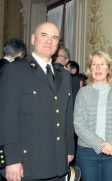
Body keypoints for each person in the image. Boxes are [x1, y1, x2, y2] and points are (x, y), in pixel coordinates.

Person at [0, 22, 75, 181]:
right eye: (44, 35)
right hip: (27, 164)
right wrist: (12, 159)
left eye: (54, 38)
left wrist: (69, 149)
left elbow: (67, 115)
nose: (49, 41)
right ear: (33, 39)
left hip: (57, 161)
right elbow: (7, 118)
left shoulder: (65, 75)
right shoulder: (15, 70)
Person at [74, 51, 112, 181]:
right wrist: (101, 144)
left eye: (102, 64)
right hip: (87, 154)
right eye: (94, 64)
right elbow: (78, 124)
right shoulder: (82, 93)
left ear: (109, 68)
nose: (98, 68)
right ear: (90, 69)